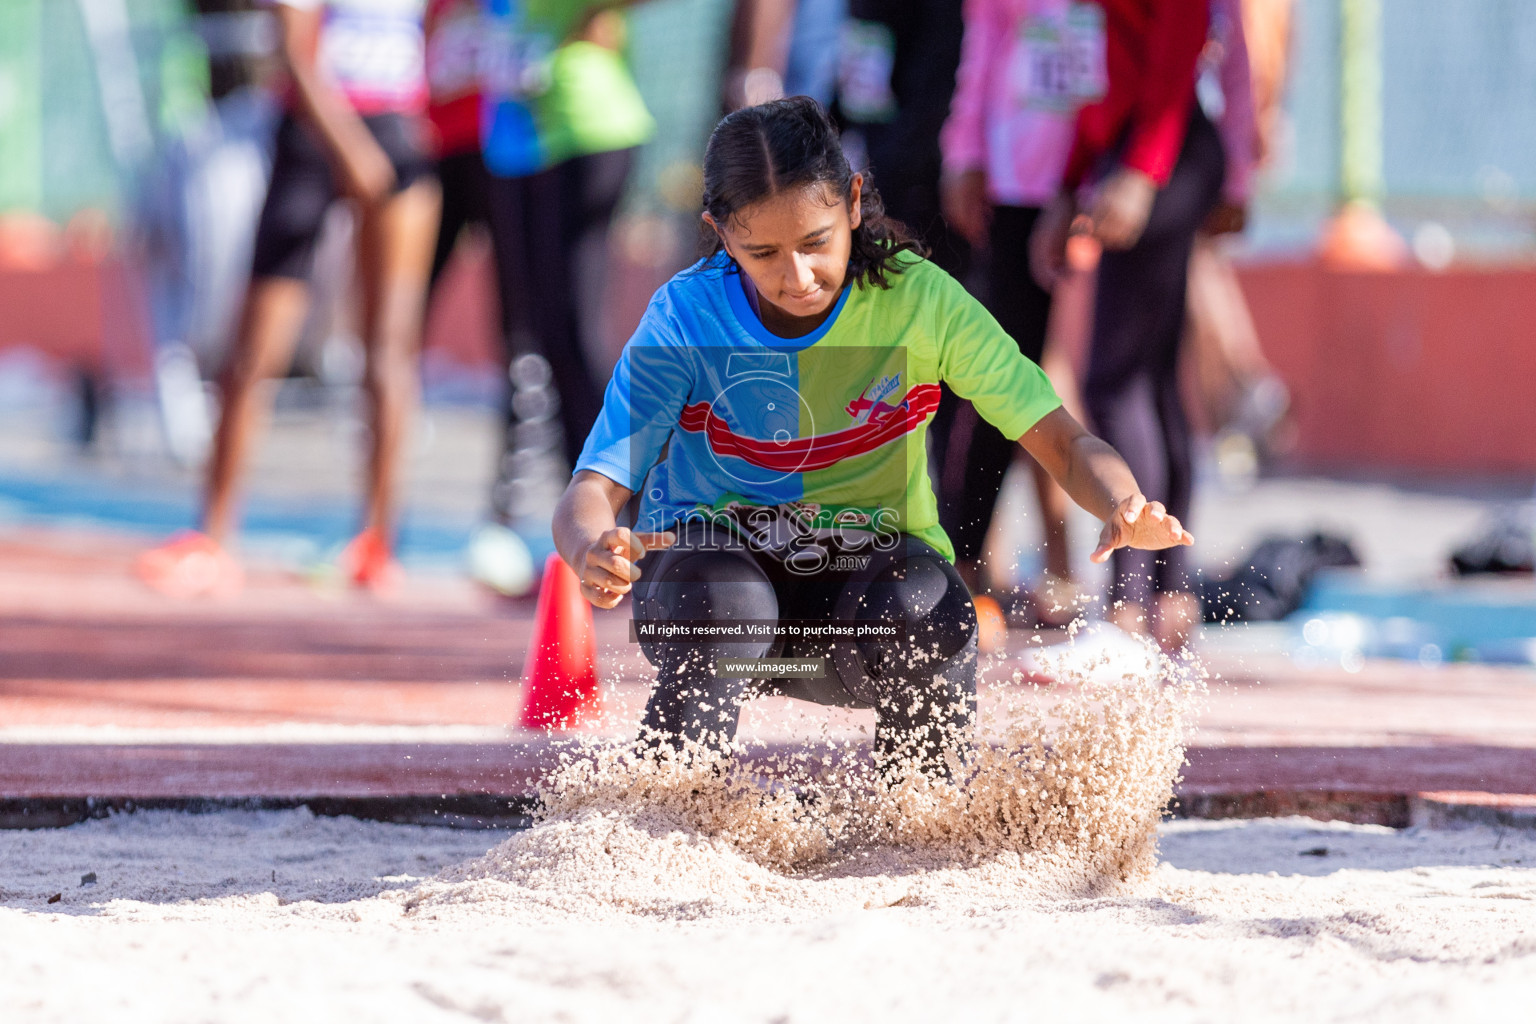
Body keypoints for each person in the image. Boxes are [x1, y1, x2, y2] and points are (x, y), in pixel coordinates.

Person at [553, 98, 1193, 777]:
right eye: (762, 253)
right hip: (717, 596)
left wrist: (1124, 502)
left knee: (931, 608)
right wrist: (592, 547)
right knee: (725, 603)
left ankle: (923, 812)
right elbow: (591, 489)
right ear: (719, 233)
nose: (797, 278)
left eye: (815, 243)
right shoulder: (686, 315)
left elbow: (1062, 440)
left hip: (857, 610)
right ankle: (663, 813)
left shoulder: (921, 302)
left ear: (853, 204)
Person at [138, 0, 441, 597]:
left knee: (388, 349)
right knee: (255, 348)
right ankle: (215, 539)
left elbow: (437, 35)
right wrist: (351, 152)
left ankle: (376, 544)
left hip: (397, 132)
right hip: (313, 134)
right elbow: (294, 50)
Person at [1030, 0, 1222, 653]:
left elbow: (1175, 54)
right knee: (1152, 377)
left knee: (1116, 380)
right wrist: (1069, 185)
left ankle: (1131, 602)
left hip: (1164, 153)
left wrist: (1141, 171)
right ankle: (1168, 591)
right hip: (1125, 152)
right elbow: (1094, 79)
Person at [472, 1, 655, 578]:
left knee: (574, 333)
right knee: (541, 337)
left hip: (587, 129)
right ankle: (583, 535)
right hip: (513, 142)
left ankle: (633, 521)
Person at [938, 0, 1090, 623]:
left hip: (1088, 191)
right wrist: (964, 154)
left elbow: (1111, 82)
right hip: (1012, 191)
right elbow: (983, 57)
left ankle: (1067, 567)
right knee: (1005, 381)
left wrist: (1078, 185)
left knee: (1044, 379)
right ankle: (971, 566)